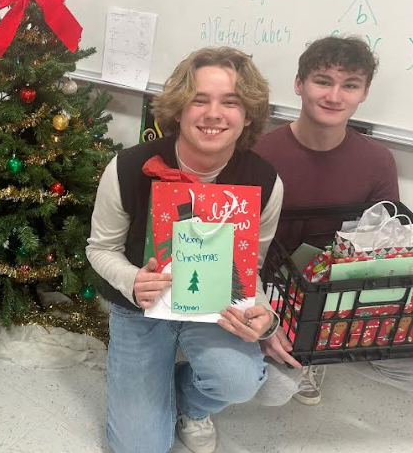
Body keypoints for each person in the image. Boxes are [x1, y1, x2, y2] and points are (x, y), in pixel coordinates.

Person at [86, 47, 285, 453]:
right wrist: (131, 280)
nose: (214, 113)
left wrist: (265, 313)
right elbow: (100, 248)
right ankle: (154, 387)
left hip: (216, 304)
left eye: (231, 102)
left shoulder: (265, 182)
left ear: (247, 115)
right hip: (140, 305)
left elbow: (252, 269)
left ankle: (189, 404)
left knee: (240, 380)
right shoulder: (127, 167)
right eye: (200, 99)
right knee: (139, 448)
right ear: (178, 109)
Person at [252, 35, 413, 407]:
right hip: (273, 296)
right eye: (323, 81)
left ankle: (318, 355)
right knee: (273, 391)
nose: (334, 96)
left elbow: (393, 248)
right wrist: (264, 323)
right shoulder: (259, 155)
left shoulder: (377, 161)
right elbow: (238, 248)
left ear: (364, 93)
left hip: (346, 298)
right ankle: (301, 353)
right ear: (298, 83)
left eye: (350, 85)